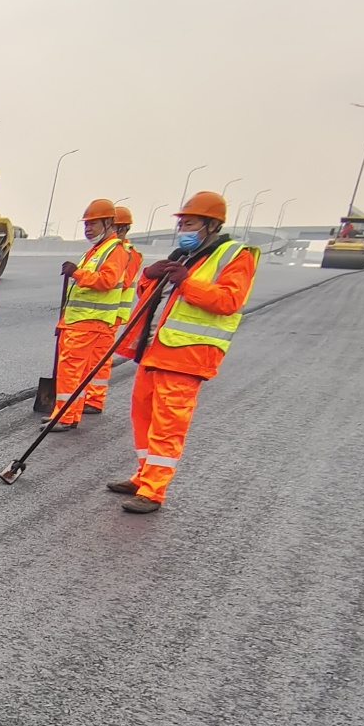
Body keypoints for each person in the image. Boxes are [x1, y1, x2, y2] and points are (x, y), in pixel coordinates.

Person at [110, 190, 259, 514]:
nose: (184, 231)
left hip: (187, 356)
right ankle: (143, 475)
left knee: (168, 423)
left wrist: (187, 282)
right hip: (155, 351)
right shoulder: (183, 255)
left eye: (190, 223)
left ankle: (153, 490)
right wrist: (149, 276)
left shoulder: (236, 255)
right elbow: (156, 297)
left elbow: (229, 300)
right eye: (182, 224)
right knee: (143, 416)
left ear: (211, 224)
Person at [51, 198, 134, 433]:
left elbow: (108, 281)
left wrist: (76, 273)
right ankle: (71, 414)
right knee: (77, 371)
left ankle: (65, 416)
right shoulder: (95, 251)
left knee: (70, 370)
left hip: (89, 323)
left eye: (93, 224)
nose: (88, 229)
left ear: (109, 223)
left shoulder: (115, 250)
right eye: (86, 225)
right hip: (80, 321)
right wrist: (63, 323)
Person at [89, 204, 140, 414]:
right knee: (91, 360)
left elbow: (122, 282)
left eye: (117, 227)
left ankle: (94, 399)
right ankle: (87, 398)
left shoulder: (127, 254)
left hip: (110, 315)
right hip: (98, 314)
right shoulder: (103, 250)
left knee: (98, 359)